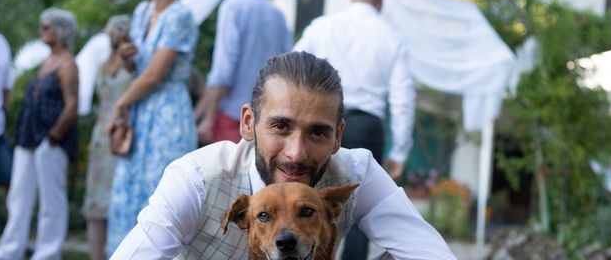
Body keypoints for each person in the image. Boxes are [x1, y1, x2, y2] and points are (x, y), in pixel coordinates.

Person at [110, 51, 456, 259]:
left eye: (317, 132)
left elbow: (429, 253)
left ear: (338, 137)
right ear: (248, 123)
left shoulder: (356, 173)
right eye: (280, 127)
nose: (296, 153)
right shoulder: (196, 179)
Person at [294, 0, 416, 260]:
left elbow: (293, 70)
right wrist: (400, 149)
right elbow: (403, 97)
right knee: (359, 206)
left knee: (306, 198)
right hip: (367, 125)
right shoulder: (392, 37)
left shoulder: (321, 26)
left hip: (319, 123)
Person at [106, 0, 199, 255]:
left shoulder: (180, 15)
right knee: (130, 192)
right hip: (141, 108)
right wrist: (126, 55)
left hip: (167, 112)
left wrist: (122, 102)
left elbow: (155, 75)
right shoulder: (142, 11)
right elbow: (140, 68)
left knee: (161, 196)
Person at [0, 8, 79, 260]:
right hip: (28, 137)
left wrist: (54, 136)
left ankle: (48, 252)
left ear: (62, 30)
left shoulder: (68, 64)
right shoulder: (47, 61)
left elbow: (72, 105)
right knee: (19, 197)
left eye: (47, 26)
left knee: (51, 200)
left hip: (50, 140)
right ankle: (10, 250)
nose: (42, 30)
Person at [195, 0, 291, 145]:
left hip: (234, 113)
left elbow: (224, 69)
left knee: (228, 172)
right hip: (269, 113)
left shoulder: (232, 6)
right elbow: (287, 62)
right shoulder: (276, 12)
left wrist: (207, 118)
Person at [82, 15, 133, 260]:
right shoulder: (111, 65)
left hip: (115, 135)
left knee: (110, 202)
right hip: (107, 136)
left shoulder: (128, 64)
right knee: (99, 202)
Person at [0, 31, 14, 191]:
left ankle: (11, 217)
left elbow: (7, 83)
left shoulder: (1, 43)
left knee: (8, 180)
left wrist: (4, 110)